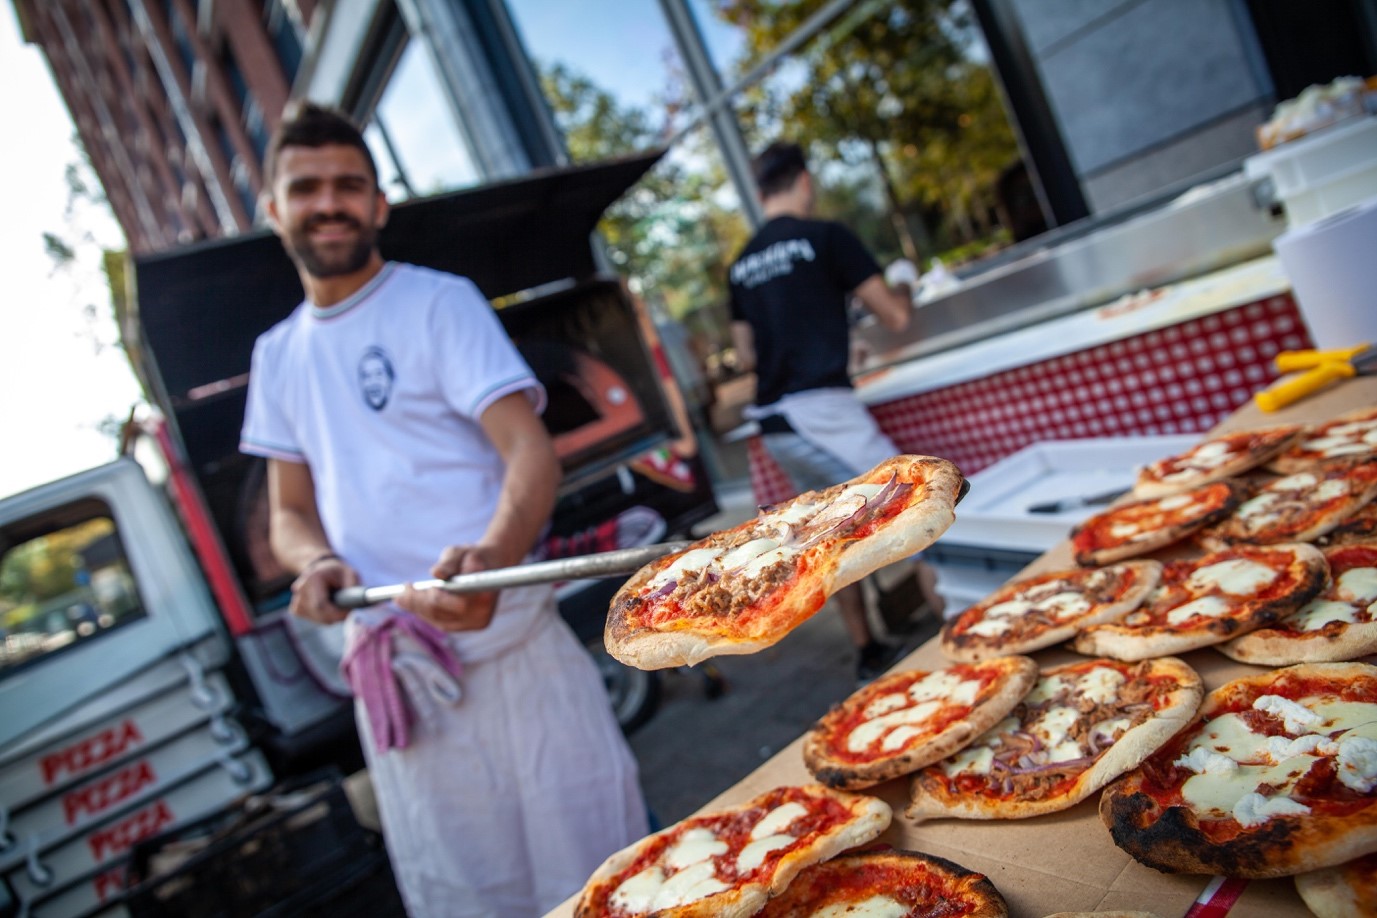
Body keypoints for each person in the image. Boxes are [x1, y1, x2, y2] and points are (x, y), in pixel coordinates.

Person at [239, 102, 647, 917]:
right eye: (307, 187)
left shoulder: (438, 303)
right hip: (398, 676)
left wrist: (494, 553)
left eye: (349, 186)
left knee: (603, 882)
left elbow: (528, 448)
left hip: (512, 652)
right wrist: (314, 561)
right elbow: (287, 510)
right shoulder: (276, 355)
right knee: (465, 895)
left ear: (378, 204)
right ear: (273, 207)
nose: (330, 204)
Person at [727, 140, 944, 683]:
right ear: (804, 180)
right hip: (821, 413)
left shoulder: (741, 266)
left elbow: (749, 354)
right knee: (920, 511)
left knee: (824, 535)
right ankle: (958, 639)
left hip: (775, 424)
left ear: (760, 193)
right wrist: (902, 276)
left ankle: (867, 647)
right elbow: (893, 315)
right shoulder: (826, 237)